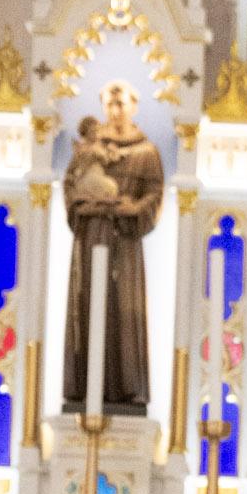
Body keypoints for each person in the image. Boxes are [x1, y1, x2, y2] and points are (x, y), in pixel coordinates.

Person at [62, 79, 164, 415]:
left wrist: (133, 208)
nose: (115, 111)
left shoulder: (146, 152)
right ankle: (86, 387)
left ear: (134, 106)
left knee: (125, 310)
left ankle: (126, 387)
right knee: (91, 304)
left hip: (125, 242)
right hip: (93, 236)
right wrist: (86, 206)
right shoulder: (90, 148)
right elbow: (71, 186)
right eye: (109, 104)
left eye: (121, 104)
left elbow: (154, 195)